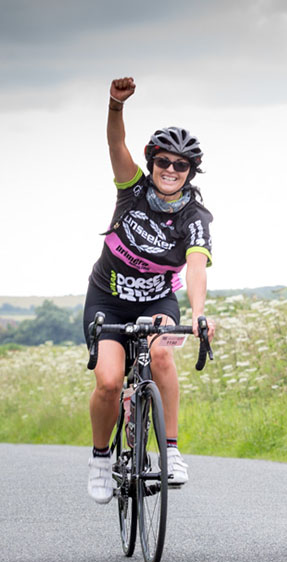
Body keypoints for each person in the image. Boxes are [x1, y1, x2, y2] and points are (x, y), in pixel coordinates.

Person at [84, 77, 215, 503]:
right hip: (108, 297)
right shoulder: (133, 189)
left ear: (190, 172)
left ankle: (171, 452)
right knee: (106, 381)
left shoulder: (195, 215)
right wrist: (115, 106)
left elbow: (195, 266)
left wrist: (197, 313)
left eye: (181, 165)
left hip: (157, 299)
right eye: (164, 162)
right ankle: (101, 458)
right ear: (152, 161)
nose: (171, 170)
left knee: (161, 353)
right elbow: (114, 145)